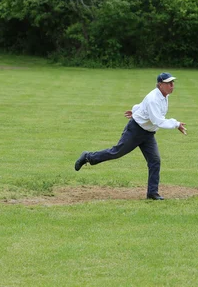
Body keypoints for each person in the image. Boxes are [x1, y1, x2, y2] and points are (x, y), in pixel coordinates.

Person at [74, 72, 187, 200]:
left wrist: (134, 111)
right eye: (168, 83)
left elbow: (143, 106)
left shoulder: (163, 96)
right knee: (116, 152)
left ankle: (152, 193)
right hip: (135, 131)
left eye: (173, 83)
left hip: (148, 134)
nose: (172, 85)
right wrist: (176, 124)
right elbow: (158, 121)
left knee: (155, 161)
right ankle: (87, 157)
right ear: (160, 85)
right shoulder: (153, 99)